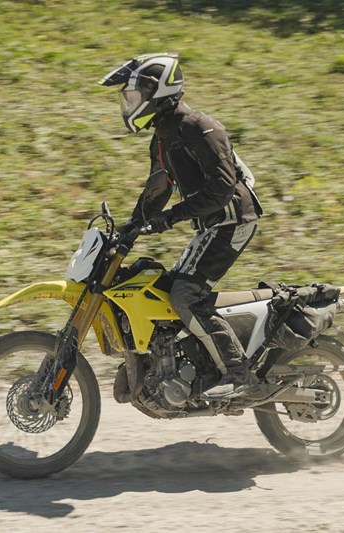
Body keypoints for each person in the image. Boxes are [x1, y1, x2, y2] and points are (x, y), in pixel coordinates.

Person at [100, 53, 263, 396]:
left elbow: (221, 189)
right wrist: (128, 230)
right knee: (157, 285)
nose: (131, 104)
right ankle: (183, 365)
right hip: (213, 224)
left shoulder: (199, 128)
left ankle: (237, 373)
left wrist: (173, 216)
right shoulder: (162, 137)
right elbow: (158, 189)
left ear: (158, 90)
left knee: (186, 294)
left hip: (234, 219)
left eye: (136, 95)